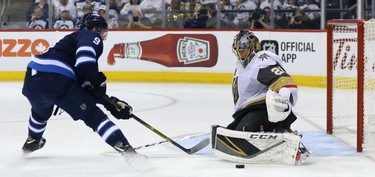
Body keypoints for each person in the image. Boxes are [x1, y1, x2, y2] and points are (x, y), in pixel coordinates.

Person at [21, 12, 146, 161]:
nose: (102, 37)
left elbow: (85, 87)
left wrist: (110, 103)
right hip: (56, 79)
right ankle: (130, 155)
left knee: (40, 113)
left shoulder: (67, 47)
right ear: (94, 28)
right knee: (94, 117)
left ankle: (33, 140)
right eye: (102, 31)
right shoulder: (89, 35)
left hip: (32, 80)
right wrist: (99, 81)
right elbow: (86, 65)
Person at [211, 30, 313, 165]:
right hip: (246, 111)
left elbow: (286, 84)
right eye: (238, 49)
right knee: (232, 133)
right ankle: (275, 131)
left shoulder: (260, 62)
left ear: (253, 47)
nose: (241, 52)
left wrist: (283, 104)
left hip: (261, 109)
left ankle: (281, 132)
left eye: (244, 48)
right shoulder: (240, 66)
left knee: (243, 132)